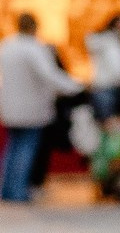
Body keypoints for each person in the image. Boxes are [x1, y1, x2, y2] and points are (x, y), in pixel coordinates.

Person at [0, 14, 80, 205]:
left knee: (13, 148)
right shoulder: (34, 49)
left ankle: (7, 189)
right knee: (26, 149)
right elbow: (49, 74)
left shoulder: (7, 47)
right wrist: (74, 86)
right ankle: (17, 190)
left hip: (10, 107)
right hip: (31, 108)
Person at [84, 13, 120, 121]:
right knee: (108, 123)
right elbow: (116, 65)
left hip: (108, 86)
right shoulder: (109, 42)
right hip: (107, 87)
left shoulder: (113, 41)